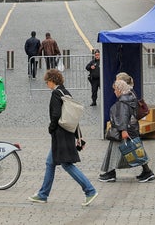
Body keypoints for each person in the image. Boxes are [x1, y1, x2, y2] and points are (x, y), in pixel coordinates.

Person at [28, 69, 98, 207]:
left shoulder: (56, 93)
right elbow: (74, 117)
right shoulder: (65, 92)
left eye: (47, 81)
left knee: (66, 164)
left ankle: (90, 190)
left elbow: (55, 115)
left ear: (52, 80)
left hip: (60, 135)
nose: (46, 84)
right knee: (50, 163)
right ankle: (43, 194)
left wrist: (51, 128)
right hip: (68, 133)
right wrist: (79, 136)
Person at [98, 78, 155, 183]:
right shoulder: (131, 97)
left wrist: (123, 130)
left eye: (115, 90)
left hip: (124, 131)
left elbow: (123, 117)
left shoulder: (123, 102)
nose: (114, 92)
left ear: (120, 90)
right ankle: (147, 172)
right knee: (136, 150)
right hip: (132, 129)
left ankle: (111, 173)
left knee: (116, 150)